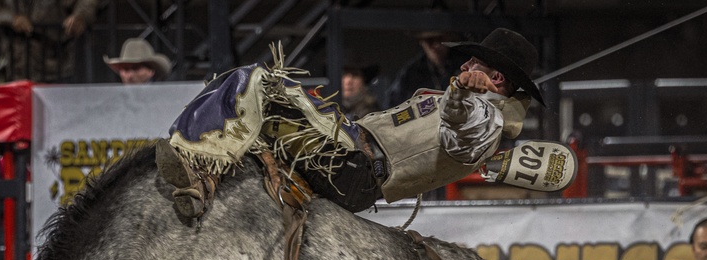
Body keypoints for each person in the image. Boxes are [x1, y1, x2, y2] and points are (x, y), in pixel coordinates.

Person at [157, 28, 573, 220]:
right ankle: (205, 179)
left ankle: (194, 168)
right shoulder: (473, 108)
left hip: (355, 167)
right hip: (351, 155)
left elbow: (462, 135)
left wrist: (464, 92)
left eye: (474, 63)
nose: (463, 65)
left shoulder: (488, 120)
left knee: (255, 80)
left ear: (496, 79)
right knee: (254, 100)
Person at [0, 0, 103, 82]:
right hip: (16, 64)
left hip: (54, 62)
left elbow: (87, 3)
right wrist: (12, 19)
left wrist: (80, 16)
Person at [384, 29, 467, 108]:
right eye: (430, 41)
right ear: (421, 42)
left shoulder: (465, 64)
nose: (436, 45)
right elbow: (394, 105)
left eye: (440, 39)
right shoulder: (411, 74)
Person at [104, 38, 172, 84]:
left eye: (135, 68)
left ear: (151, 71)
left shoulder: (162, 99)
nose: (129, 76)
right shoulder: (114, 100)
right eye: (125, 69)